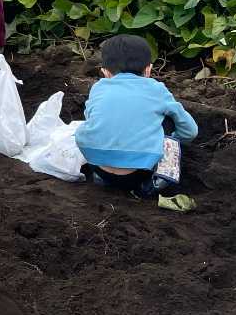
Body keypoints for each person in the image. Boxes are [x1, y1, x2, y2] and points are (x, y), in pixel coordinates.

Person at [75, 35, 197, 212]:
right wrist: (172, 139)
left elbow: (91, 117)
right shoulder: (156, 89)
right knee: (168, 122)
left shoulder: (98, 87)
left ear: (105, 72)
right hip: (139, 172)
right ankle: (154, 184)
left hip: (97, 164)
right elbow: (190, 131)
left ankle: (104, 178)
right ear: (148, 70)